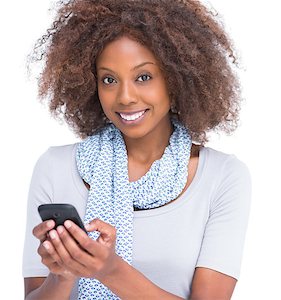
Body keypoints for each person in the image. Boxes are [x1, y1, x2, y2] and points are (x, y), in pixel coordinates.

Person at [22, 0, 251, 299]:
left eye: (143, 77)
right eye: (109, 80)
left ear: (177, 78)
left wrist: (109, 271)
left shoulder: (222, 177)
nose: (125, 97)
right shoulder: (54, 167)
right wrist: (62, 275)